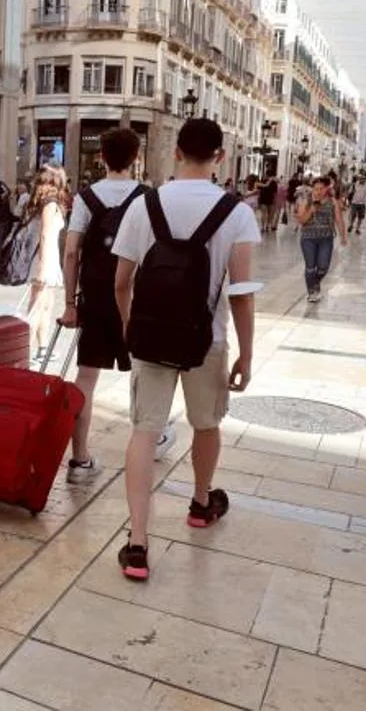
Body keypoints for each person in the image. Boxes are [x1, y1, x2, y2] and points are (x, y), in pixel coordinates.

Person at [112, 118, 259, 581]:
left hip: (151, 339)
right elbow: (241, 293)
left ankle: (137, 544)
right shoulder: (236, 212)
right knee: (206, 424)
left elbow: (121, 283)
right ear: (220, 156)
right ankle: (200, 502)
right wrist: (247, 354)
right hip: (206, 342)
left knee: (144, 431)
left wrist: (131, 328)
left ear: (176, 152)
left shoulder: (144, 205)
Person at [61, 130, 149, 483]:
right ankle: (149, 441)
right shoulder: (147, 198)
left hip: (95, 298)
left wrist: (69, 303)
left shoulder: (86, 197)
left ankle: (79, 460)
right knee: (143, 376)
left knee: (85, 378)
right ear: (136, 158)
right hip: (134, 300)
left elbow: (71, 252)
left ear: (101, 157)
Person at [23, 166, 67, 358]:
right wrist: (42, 268)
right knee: (36, 307)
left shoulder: (38, 202)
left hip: (46, 259)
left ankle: (43, 347)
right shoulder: (49, 204)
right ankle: (24, 353)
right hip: (45, 260)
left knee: (46, 305)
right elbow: (45, 235)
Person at [296, 176, 347, 303]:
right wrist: (311, 211)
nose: (318, 191)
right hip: (308, 239)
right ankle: (312, 293)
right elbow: (301, 220)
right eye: (316, 188)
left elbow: (339, 219)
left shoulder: (332, 202)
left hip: (326, 239)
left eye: (321, 188)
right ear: (312, 189)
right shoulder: (306, 201)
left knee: (323, 267)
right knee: (310, 267)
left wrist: (343, 236)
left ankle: (315, 283)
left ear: (326, 189)